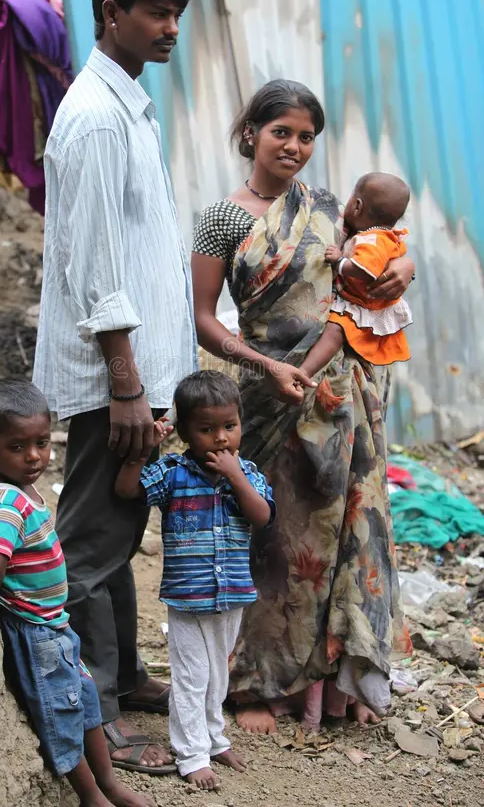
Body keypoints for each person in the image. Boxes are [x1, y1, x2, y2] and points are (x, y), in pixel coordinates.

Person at [191, 79, 414, 735]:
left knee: (342, 537)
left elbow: (379, 258)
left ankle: (329, 686)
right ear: (251, 134)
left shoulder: (327, 208)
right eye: (280, 132)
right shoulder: (223, 220)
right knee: (274, 538)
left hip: (342, 398)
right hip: (267, 396)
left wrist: (409, 269)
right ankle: (255, 679)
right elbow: (204, 320)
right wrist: (265, 366)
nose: (292, 146)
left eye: (306, 136)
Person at [33, 0, 197, 773]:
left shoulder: (124, 106)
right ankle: (93, 711)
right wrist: (128, 383)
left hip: (134, 374)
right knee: (92, 542)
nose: (171, 29)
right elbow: (95, 265)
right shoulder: (96, 115)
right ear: (109, 14)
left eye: (177, 14)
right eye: (155, 14)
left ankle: (125, 675)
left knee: (118, 530)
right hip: (112, 379)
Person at [0, 379, 154, 807]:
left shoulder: (20, 490)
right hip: (38, 633)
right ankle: (90, 795)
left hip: (55, 626)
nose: (34, 456)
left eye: (40, 442)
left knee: (86, 700)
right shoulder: (5, 505)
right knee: (63, 713)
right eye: (17, 447)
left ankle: (108, 784)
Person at [115, 371, 275, 790]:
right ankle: (191, 755)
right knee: (191, 676)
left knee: (218, 675)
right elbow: (127, 490)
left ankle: (214, 738)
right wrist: (144, 452)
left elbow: (262, 516)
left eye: (229, 426)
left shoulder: (249, 473)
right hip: (188, 597)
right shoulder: (172, 472)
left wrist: (236, 476)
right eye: (206, 429)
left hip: (233, 593)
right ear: (185, 431)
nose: (221, 438)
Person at [300, 172, 412, 378]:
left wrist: (340, 262)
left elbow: (366, 270)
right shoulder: (381, 236)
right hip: (362, 301)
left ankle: (304, 372)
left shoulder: (372, 240)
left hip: (362, 305)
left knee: (335, 330)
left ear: (358, 206)